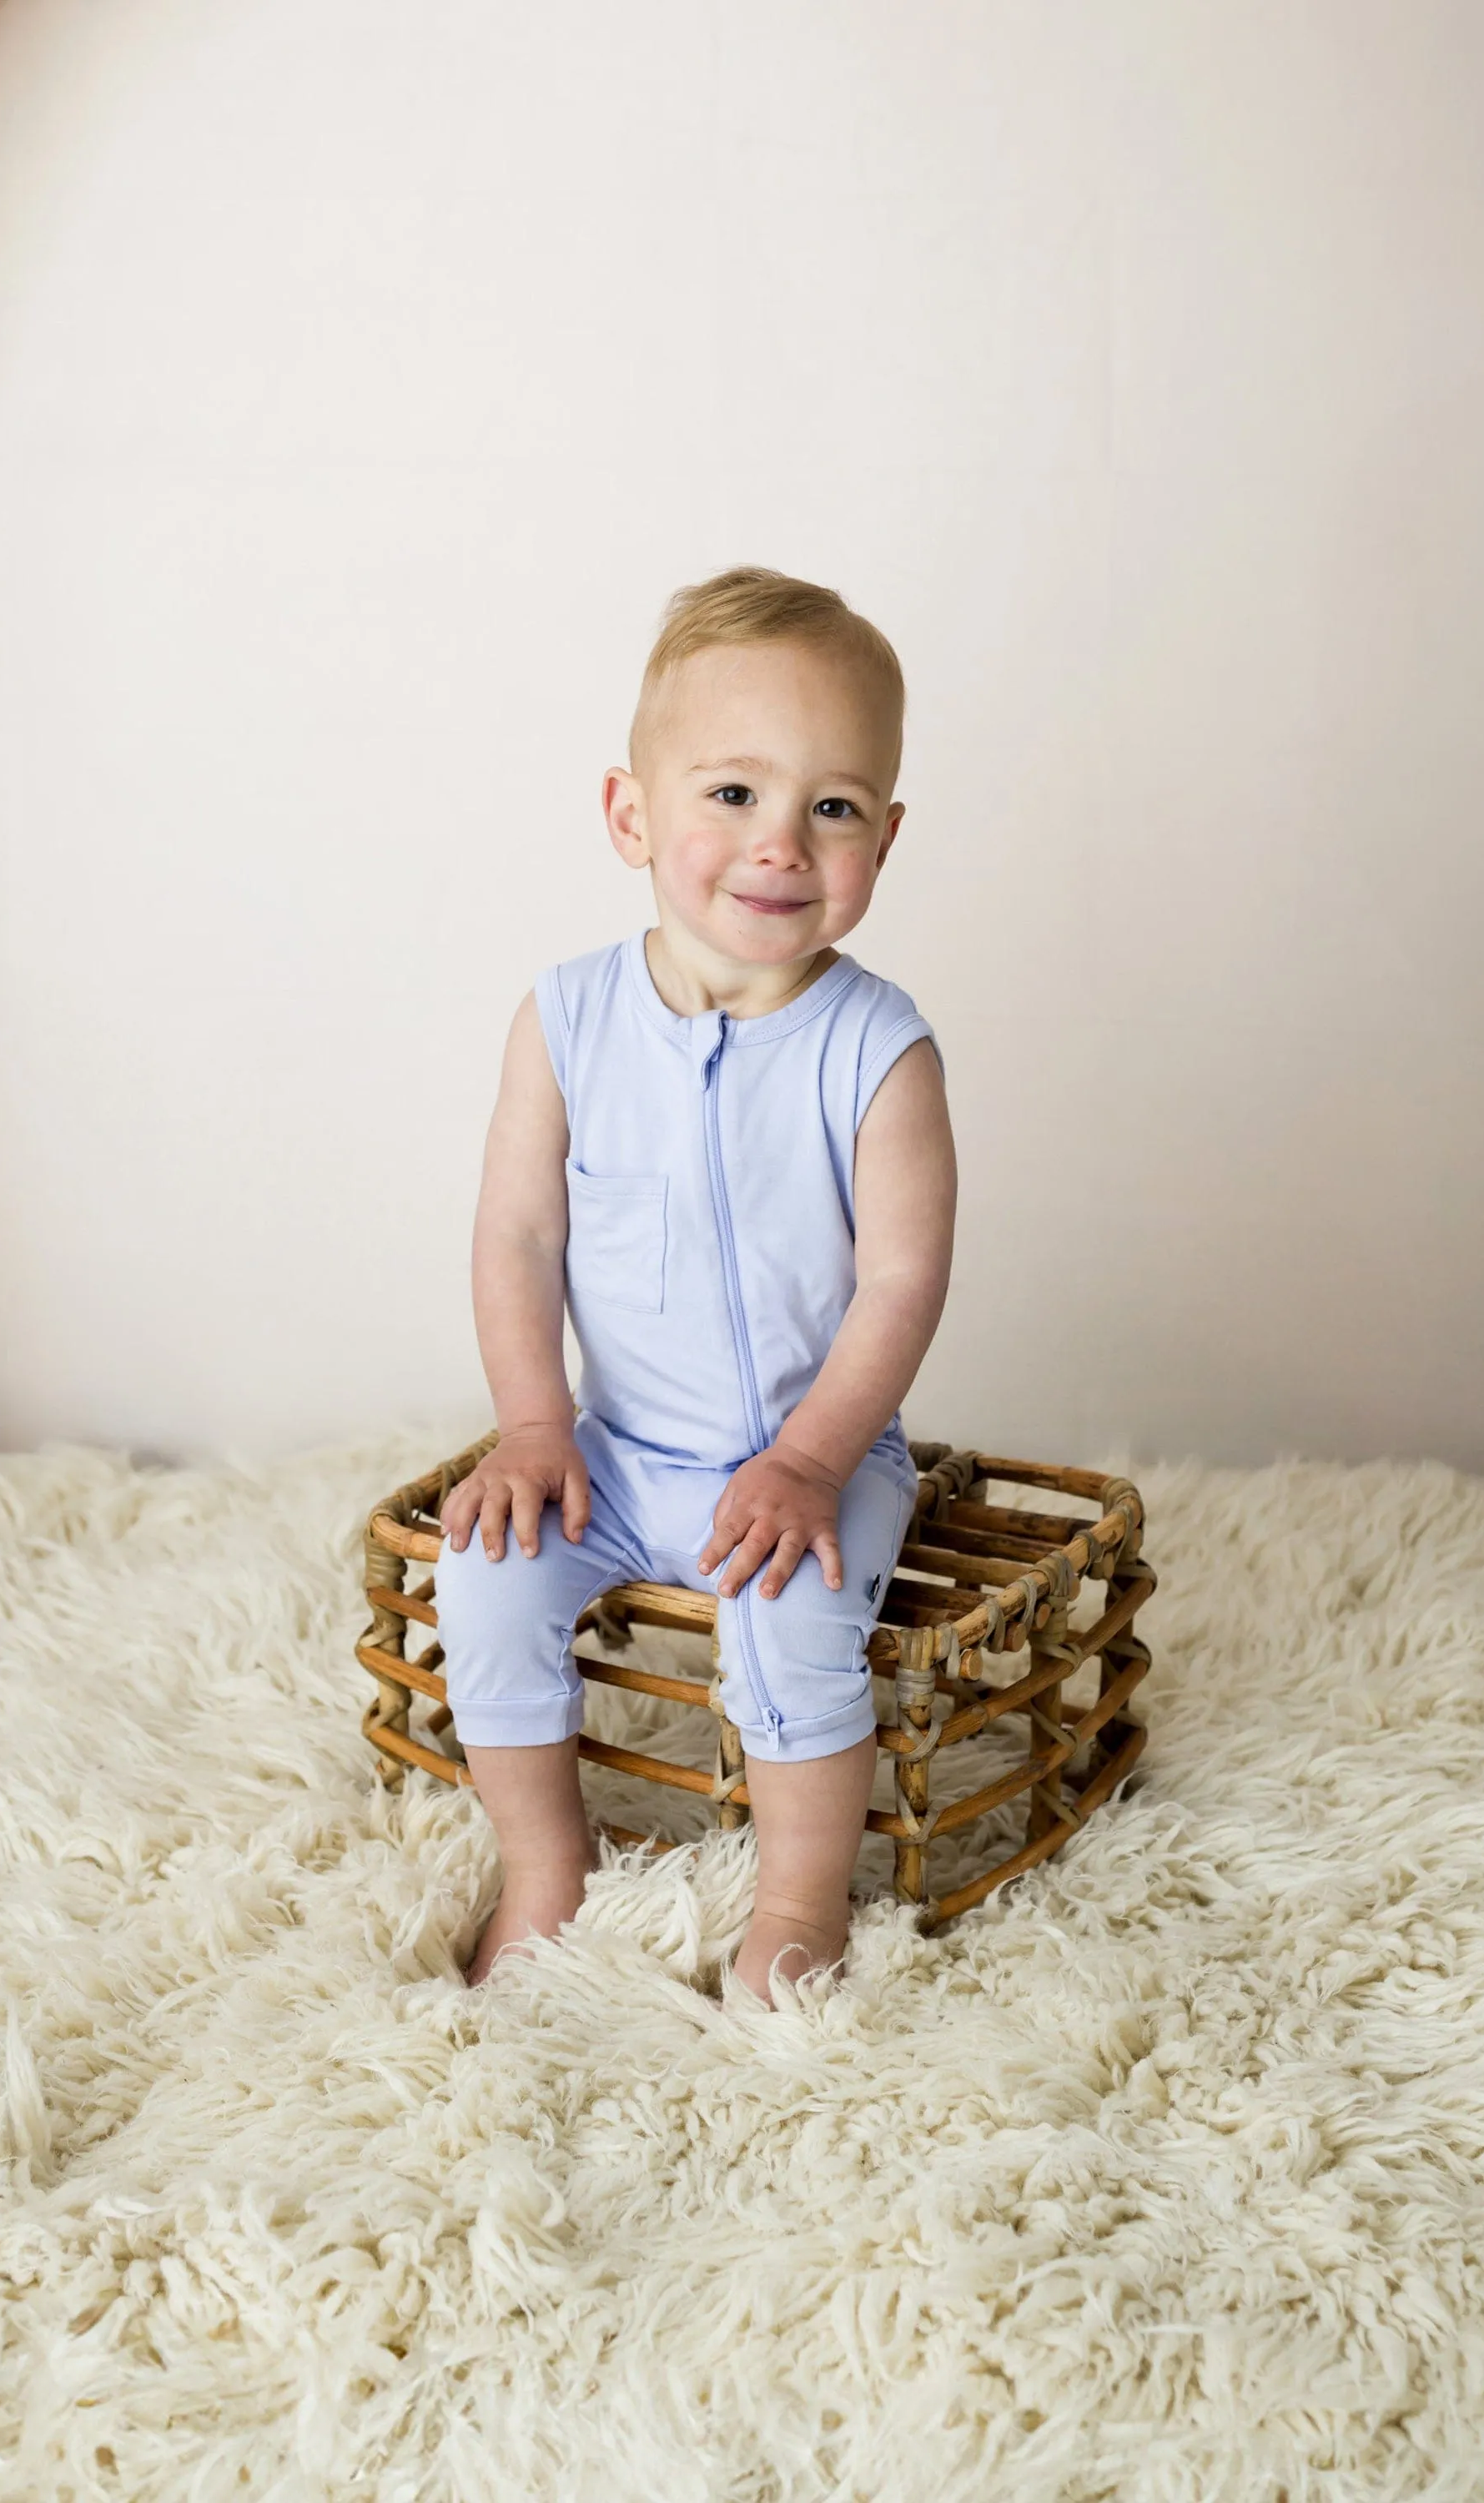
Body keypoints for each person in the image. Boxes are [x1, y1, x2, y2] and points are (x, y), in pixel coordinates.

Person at [434, 566, 957, 2001]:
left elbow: (902, 1283)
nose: (779, 841)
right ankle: (547, 1863)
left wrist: (809, 1457)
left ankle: (797, 1899)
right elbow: (518, 1238)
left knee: (796, 1621)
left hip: (815, 1452)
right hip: (616, 1449)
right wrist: (537, 1427)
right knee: (484, 1580)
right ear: (631, 815)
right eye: (731, 793)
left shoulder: (879, 1052)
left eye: (833, 807)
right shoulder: (566, 1021)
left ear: (884, 839)